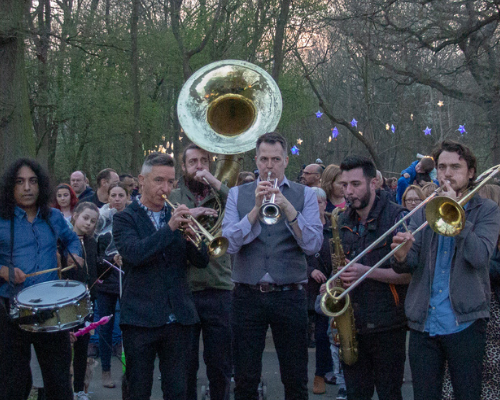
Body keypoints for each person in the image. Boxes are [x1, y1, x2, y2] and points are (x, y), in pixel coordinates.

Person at [392, 140, 500, 400]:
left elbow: (480, 257)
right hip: (423, 322)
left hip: (465, 321)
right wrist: (401, 256)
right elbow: (407, 265)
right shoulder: (422, 210)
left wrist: (458, 213)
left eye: (455, 167)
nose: (448, 173)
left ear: (471, 172)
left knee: (467, 393)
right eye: (442, 167)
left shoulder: (487, 210)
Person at [222, 131, 323, 400]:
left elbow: (313, 245)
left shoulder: (306, 194)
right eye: (264, 159)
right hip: (246, 294)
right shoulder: (236, 194)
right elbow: (228, 245)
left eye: (275, 159)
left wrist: (288, 207)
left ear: (286, 160)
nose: (269, 165)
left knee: (295, 378)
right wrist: (255, 209)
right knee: (245, 379)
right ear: (255, 160)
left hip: (289, 294)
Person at [113, 152, 210, 400]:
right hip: (140, 319)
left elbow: (201, 261)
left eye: (170, 182)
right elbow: (135, 254)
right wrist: (170, 229)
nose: (165, 188)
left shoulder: (175, 214)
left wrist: (192, 236)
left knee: (179, 391)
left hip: (178, 317)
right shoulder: (125, 218)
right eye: (158, 180)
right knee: (138, 389)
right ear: (141, 180)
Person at [0, 158, 83, 400]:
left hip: (50, 311)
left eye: (32, 181)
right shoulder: (2, 219)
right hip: (10, 310)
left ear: (41, 185)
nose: (27, 188)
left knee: (58, 381)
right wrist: (4, 271)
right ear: (10, 186)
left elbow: (71, 240)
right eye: (20, 182)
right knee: (13, 382)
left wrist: (74, 255)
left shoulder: (54, 217)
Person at [335, 155, 411, 400]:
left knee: (390, 394)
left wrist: (364, 272)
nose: (348, 192)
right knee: (356, 395)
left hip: (387, 325)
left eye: (355, 184)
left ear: (374, 183)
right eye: (344, 185)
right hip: (352, 325)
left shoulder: (397, 217)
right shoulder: (342, 220)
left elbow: (408, 275)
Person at [169, 143, 233, 400]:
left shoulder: (221, 194)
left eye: (204, 161)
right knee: (186, 367)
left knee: (220, 365)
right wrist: (188, 216)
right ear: (183, 167)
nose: (198, 167)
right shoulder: (173, 198)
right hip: (185, 288)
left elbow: (241, 204)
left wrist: (216, 182)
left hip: (219, 287)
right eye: (193, 162)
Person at [95, 182, 130, 388]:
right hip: (105, 282)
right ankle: (106, 371)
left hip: (126, 280)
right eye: (113, 195)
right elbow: (95, 254)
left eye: (121, 195)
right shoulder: (100, 219)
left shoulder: (131, 217)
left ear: (126, 197)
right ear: (108, 197)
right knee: (105, 327)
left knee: (128, 327)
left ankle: (128, 370)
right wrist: (108, 260)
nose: (117, 199)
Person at [65, 201, 101, 400]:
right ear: (75, 216)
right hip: (66, 301)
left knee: (81, 347)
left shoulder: (92, 242)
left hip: (86, 302)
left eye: (93, 221)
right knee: (63, 348)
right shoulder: (64, 241)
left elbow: (94, 269)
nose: (88, 223)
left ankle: (79, 389)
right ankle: (63, 389)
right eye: (85, 218)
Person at [306, 187, 334, 395]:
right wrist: (311, 270)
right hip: (306, 288)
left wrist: (333, 281)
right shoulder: (303, 226)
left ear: (326, 204)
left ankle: (322, 373)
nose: (317, 206)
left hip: (329, 288)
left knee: (325, 334)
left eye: (320, 202)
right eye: (312, 202)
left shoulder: (334, 227)